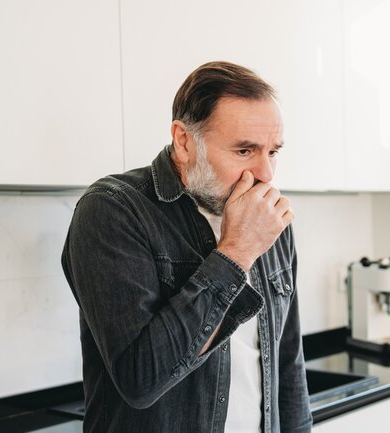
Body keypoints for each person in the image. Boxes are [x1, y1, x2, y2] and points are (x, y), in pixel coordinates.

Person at [61, 61, 312, 433]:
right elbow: (140, 379)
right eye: (245, 151)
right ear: (183, 141)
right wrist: (236, 252)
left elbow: (287, 363)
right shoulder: (113, 210)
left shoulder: (269, 217)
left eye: (272, 152)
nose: (265, 175)